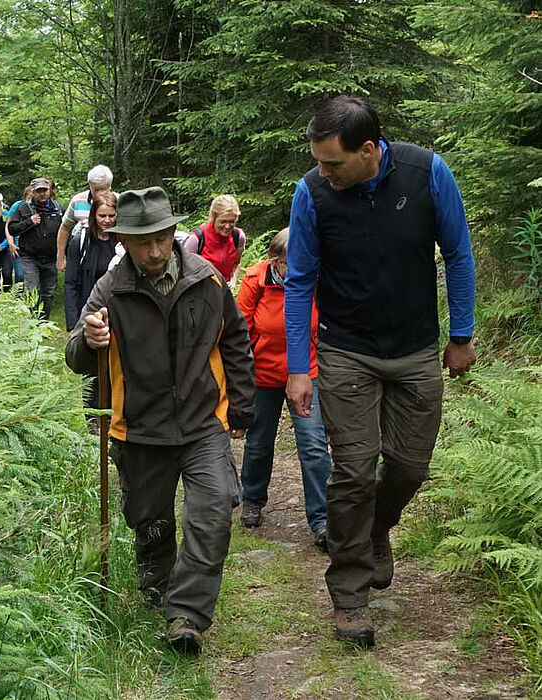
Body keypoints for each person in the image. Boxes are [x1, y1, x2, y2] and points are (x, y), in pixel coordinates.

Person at [285, 96, 476, 648]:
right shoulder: (312, 194)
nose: (323, 172)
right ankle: (349, 596)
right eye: (318, 161)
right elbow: (299, 282)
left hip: (416, 349)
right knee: (352, 471)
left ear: (368, 150)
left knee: (410, 468)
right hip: (345, 351)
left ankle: (375, 530)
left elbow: (458, 255)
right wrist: (300, 368)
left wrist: (460, 335)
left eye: (333, 162)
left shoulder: (427, 173)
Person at [65, 186, 255, 656]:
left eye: (162, 237)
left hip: (202, 423)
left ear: (173, 232)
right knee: (149, 521)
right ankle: (156, 578)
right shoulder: (111, 290)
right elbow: (75, 356)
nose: (154, 250)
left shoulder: (206, 279)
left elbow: (234, 339)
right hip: (139, 428)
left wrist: (242, 406)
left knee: (212, 514)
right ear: (123, 241)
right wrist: (90, 340)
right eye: (142, 241)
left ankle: (187, 615)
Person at [236, 228, 331, 550]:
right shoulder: (255, 280)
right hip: (262, 374)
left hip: (307, 374)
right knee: (259, 440)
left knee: (314, 444)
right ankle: (252, 500)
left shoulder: (317, 280)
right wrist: (239, 383)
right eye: (296, 263)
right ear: (276, 262)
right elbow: (239, 332)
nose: (306, 268)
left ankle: (323, 520)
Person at [64, 192, 118, 408]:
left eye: (111, 216)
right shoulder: (81, 241)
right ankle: (93, 417)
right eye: (102, 216)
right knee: (91, 368)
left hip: (115, 314)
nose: (106, 221)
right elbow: (70, 282)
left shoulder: (123, 242)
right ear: (94, 215)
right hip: (88, 311)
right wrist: (72, 322)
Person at [8, 178, 63, 319]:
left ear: (49, 191)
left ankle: (44, 324)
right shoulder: (23, 208)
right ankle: (32, 324)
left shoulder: (58, 209)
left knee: (48, 293)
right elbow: (12, 229)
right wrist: (29, 222)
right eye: (39, 191)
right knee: (32, 291)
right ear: (33, 192)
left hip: (51, 259)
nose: (42, 194)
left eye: (44, 190)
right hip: (30, 258)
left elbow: (65, 233)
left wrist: (63, 256)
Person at [57, 165, 115, 272]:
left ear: (110, 186)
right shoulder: (78, 200)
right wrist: (60, 257)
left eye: (105, 189)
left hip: (110, 257)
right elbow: (64, 227)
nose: (101, 194)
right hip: (82, 257)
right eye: (97, 190)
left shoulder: (118, 201)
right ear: (90, 186)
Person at [183, 194, 246, 288]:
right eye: (223, 222)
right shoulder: (197, 238)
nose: (227, 226)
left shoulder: (238, 236)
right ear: (213, 218)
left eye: (231, 221)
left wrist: (233, 281)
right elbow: (183, 268)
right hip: (199, 291)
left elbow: (237, 263)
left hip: (224, 292)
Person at [5, 185, 34, 285]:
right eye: (30, 197)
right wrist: (11, 244)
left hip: (31, 247)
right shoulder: (17, 206)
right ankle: (17, 296)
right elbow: (8, 226)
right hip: (17, 246)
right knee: (20, 275)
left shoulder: (38, 207)